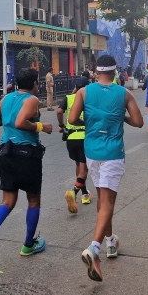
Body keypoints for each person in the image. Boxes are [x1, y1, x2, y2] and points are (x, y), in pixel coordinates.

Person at [68, 54, 143, 281]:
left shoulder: (84, 92)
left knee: (103, 200)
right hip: (112, 154)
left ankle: (110, 242)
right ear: (115, 71)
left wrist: (88, 124)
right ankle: (94, 248)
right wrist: (122, 118)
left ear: (96, 71)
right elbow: (138, 122)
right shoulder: (124, 93)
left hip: (92, 152)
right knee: (108, 202)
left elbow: (72, 119)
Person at [0, 68, 52, 268]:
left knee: (8, 200)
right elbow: (21, 122)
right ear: (35, 83)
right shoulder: (32, 100)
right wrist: (41, 127)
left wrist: (7, 123)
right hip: (27, 155)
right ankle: (28, 245)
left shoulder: (7, 98)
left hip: (7, 153)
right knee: (33, 200)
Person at [57, 78, 92, 213]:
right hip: (84, 137)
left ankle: (85, 194)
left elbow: (59, 111)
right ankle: (73, 192)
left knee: (78, 165)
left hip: (71, 138)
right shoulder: (89, 99)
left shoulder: (69, 98)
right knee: (84, 170)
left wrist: (61, 125)